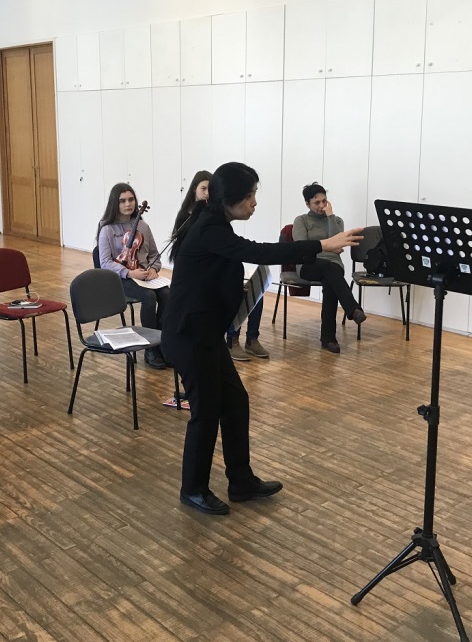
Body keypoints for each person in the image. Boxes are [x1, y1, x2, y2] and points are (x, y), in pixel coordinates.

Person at [164, 162, 363, 515]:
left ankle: (241, 482)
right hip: (189, 335)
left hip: (205, 332)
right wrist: (322, 243)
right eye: (250, 195)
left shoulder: (215, 222)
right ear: (230, 198)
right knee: (206, 413)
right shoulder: (209, 227)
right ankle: (192, 489)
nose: (255, 202)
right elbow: (258, 252)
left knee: (235, 402)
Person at [171, 170, 268, 362]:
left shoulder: (217, 222)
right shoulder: (201, 223)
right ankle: (233, 339)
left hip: (207, 321)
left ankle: (251, 338)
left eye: (211, 189)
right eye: (204, 189)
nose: (208, 193)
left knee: (254, 293)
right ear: (194, 190)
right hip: (194, 319)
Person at [97, 182, 169, 369]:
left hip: (144, 275)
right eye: (122, 201)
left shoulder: (143, 226)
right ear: (115, 203)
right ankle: (150, 348)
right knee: (149, 297)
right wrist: (129, 272)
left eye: (131, 200)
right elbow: (105, 262)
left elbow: (154, 255)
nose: (128, 204)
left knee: (167, 294)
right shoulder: (107, 229)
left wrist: (154, 269)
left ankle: (162, 342)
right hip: (119, 278)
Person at [292, 183, 367, 353]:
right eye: (316, 203)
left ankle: (329, 338)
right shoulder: (301, 220)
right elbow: (302, 247)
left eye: (324, 201)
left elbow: (337, 242)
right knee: (330, 271)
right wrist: (329, 247)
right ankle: (351, 310)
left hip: (333, 265)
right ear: (307, 204)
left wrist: (330, 216)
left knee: (330, 278)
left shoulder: (336, 220)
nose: (321, 206)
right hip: (308, 264)